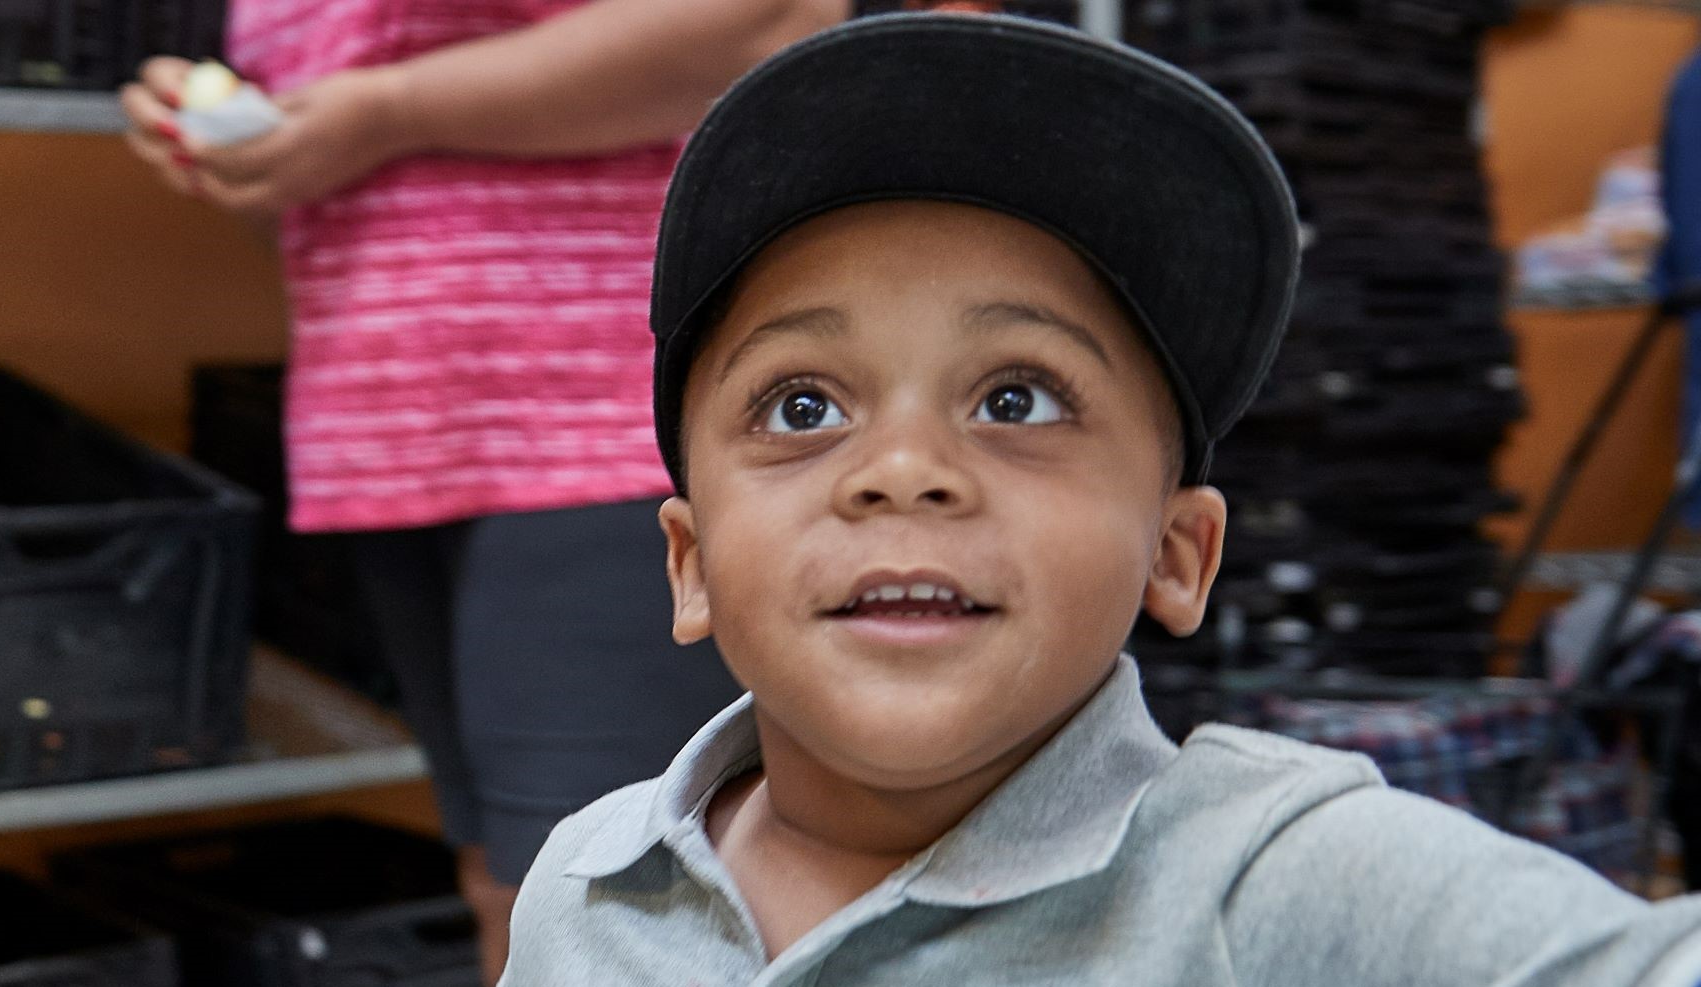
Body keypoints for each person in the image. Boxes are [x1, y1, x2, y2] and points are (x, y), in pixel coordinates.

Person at [503, 14, 1701, 985]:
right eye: (803, 406)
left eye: (1017, 399)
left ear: (1178, 553)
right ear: (692, 563)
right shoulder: (583, 886)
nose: (903, 468)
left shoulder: (1279, 879)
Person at [118, 1, 845, 979]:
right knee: (518, 893)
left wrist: (382, 110)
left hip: (597, 419)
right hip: (408, 448)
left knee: (630, 914)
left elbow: (773, 15)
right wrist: (259, 155)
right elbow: (376, 198)